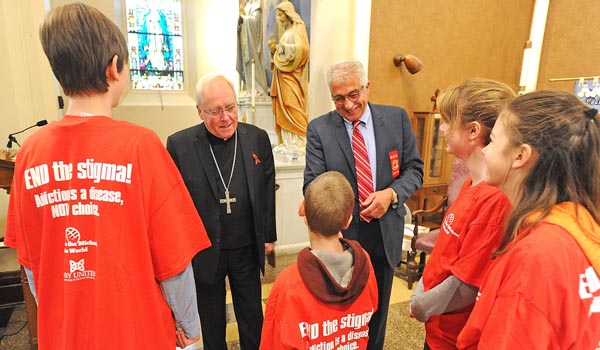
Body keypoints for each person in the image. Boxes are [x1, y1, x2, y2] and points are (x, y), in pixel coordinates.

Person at [3, 3, 211, 349]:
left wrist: (60, 314)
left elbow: (31, 267)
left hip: (66, 334)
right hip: (137, 332)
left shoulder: (30, 154)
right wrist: (190, 326)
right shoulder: (141, 145)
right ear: (114, 68)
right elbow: (173, 264)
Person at [457, 91, 600, 349]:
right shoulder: (579, 226)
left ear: (520, 155)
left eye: (492, 141)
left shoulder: (536, 257)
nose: (485, 151)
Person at [304, 59, 424, 350]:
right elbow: (312, 184)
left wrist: (391, 194)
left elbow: (414, 170)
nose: (347, 104)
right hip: (342, 239)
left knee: (378, 314)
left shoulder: (396, 119)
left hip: (384, 233)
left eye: (354, 94)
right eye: (339, 98)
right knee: (343, 318)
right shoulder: (320, 129)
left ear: (367, 87)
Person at [166, 73, 276, 349]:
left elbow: (266, 190)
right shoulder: (180, 145)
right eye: (216, 111)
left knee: (252, 315)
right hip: (204, 250)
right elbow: (174, 206)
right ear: (200, 112)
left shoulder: (257, 138)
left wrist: (269, 237)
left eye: (231, 107)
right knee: (211, 320)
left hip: (246, 247)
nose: (226, 117)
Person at [409, 78, 515, 350]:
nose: (442, 127)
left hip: (455, 338)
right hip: (438, 325)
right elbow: (447, 252)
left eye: (447, 120)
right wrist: (423, 289)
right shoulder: (470, 182)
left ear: (472, 131)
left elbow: (467, 285)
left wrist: (422, 305)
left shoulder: (495, 199)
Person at [261, 171, 378, 349]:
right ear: (348, 221)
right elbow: (372, 306)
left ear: (303, 212)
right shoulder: (365, 264)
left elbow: (272, 342)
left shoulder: (289, 282)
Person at [268, 0, 309, 148]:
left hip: (292, 78)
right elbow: (282, 56)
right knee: (284, 106)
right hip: (282, 76)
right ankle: (287, 141)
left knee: (293, 106)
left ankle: (299, 140)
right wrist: (274, 50)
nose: (278, 18)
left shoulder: (298, 28)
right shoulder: (287, 32)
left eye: (280, 14)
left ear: (288, 14)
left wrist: (281, 46)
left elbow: (303, 50)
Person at [237, 0, 269, 96]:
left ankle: (257, 88)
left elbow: (255, 21)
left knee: (252, 61)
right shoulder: (247, 4)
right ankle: (250, 88)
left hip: (253, 42)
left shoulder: (256, 5)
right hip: (246, 38)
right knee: (246, 64)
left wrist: (244, 19)